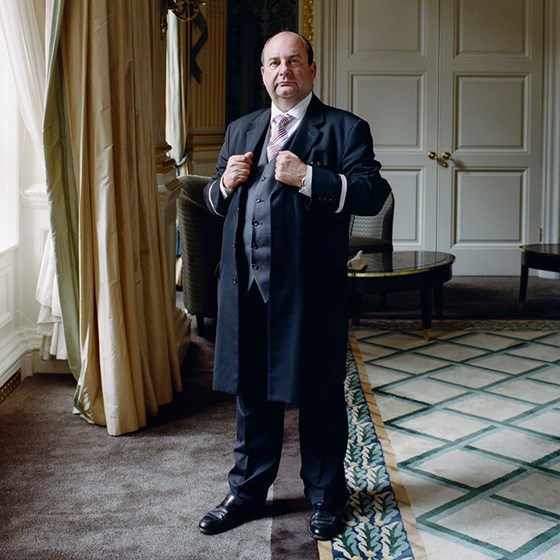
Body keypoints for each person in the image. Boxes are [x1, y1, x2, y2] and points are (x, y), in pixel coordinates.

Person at [199, 30, 391, 540]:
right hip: (247, 290)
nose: (283, 71)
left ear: (311, 69)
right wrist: (224, 184)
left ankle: (326, 496)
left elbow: (373, 193)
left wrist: (308, 176)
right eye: (273, 63)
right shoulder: (241, 129)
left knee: (320, 394)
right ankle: (246, 492)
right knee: (251, 394)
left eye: (294, 61)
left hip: (311, 294)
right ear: (263, 74)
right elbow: (214, 205)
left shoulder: (345, 128)